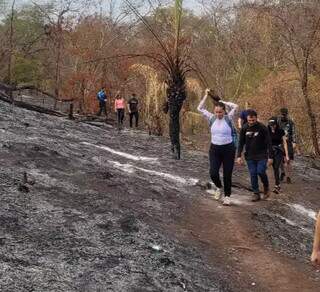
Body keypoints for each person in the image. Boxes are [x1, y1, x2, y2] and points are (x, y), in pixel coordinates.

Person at [197, 88, 238, 206]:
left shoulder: (228, 118)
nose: (218, 114)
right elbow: (199, 108)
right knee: (213, 173)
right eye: (216, 112)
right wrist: (205, 95)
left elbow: (235, 106)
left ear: (224, 111)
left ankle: (227, 196)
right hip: (215, 149)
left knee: (227, 174)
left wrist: (222, 101)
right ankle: (219, 187)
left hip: (228, 149)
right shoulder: (211, 118)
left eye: (220, 112)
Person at [237, 110, 273, 202]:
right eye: (249, 120)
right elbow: (241, 142)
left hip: (262, 155)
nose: (251, 122)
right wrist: (239, 156)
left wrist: (270, 157)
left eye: (253, 120)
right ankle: (256, 193)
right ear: (247, 119)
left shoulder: (263, 128)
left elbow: (269, 142)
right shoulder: (244, 128)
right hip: (250, 155)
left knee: (260, 171)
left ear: (256, 118)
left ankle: (266, 187)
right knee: (253, 174)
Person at [267, 117, 289, 194]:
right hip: (269, 151)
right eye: (270, 125)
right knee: (272, 167)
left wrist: (286, 155)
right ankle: (267, 186)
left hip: (279, 150)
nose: (272, 126)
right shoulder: (267, 130)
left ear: (276, 124)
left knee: (276, 167)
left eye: (273, 125)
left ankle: (277, 185)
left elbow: (285, 143)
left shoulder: (280, 131)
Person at [277, 107, 297, 184]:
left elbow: (294, 132)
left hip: (288, 142)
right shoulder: (278, 121)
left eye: (284, 115)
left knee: (288, 160)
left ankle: (288, 176)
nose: (283, 116)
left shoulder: (290, 122)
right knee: (280, 159)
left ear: (287, 114)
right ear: (280, 114)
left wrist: (294, 142)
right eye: (282, 114)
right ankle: (282, 172)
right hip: (280, 142)